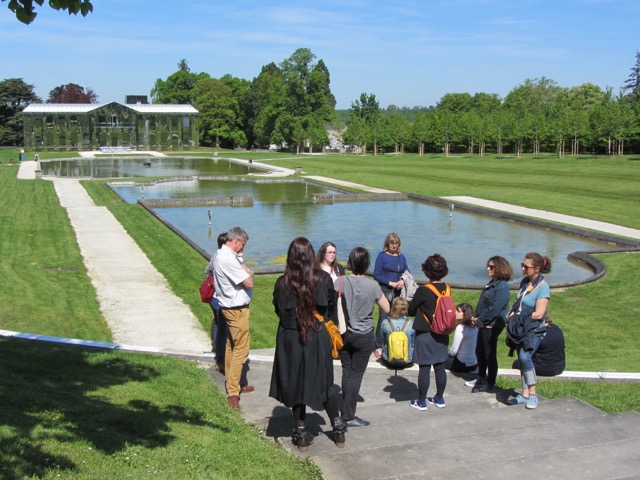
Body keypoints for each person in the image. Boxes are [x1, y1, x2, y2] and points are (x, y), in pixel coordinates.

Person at [269, 237, 346, 451]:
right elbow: (330, 308)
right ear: (311, 255)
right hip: (317, 334)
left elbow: (279, 310)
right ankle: (338, 428)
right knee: (324, 382)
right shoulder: (322, 279)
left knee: (296, 382)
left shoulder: (282, 282)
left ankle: (301, 433)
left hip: (291, 337)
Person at [336, 246, 390, 427]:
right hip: (364, 334)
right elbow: (387, 308)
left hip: (344, 333)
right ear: (367, 264)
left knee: (346, 370)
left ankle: (346, 406)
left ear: (350, 262)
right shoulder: (373, 285)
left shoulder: (341, 281)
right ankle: (348, 415)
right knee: (356, 375)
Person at [213, 226, 254, 409]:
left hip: (230, 307)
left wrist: (241, 262)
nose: (243, 248)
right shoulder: (228, 258)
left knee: (232, 346)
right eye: (243, 244)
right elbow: (249, 281)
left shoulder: (223, 255)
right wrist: (247, 272)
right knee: (241, 350)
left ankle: (233, 384)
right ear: (235, 241)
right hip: (236, 309)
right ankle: (233, 392)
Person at [508, 252, 552, 410]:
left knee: (525, 357)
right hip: (522, 329)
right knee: (522, 360)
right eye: (522, 265)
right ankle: (524, 394)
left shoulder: (543, 287)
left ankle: (533, 395)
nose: (523, 268)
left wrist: (519, 316)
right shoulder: (524, 282)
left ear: (537, 268)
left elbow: (539, 313)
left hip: (534, 330)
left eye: (526, 267)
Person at [408, 253, 452, 411]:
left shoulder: (423, 290)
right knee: (440, 366)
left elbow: (411, 311)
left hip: (425, 332)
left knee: (425, 368)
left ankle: (421, 401)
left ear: (427, 271)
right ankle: (439, 398)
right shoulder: (447, 289)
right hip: (442, 333)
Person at [465, 256, 514, 392]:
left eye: (491, 267)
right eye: (488, 266)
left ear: (499, 268)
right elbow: (484, 304)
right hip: (484, 323)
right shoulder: (492, 283)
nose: (488, 268)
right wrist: (476, 317)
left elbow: (494, 309)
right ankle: (481, 377)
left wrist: (479, 321)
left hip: (492, 325)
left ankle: (490, 382)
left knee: (489, 353)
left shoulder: (502, 286)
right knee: (480, 351)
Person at [373, 233, 408, 351]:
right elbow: (376, 274)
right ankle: (378, 344)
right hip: (385, 290)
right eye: (392, 243)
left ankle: (394, 341)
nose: (394, 246)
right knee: (384, 316)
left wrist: (402, 280)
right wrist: (390, 283)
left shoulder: (401, 257)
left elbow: (407, 271)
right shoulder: (382, 256)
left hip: (398, 291)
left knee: (398, 316)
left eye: (396, 243)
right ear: (387, 243)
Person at [205, 232, 228, 371]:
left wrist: (212, 282)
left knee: (218, 323)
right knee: (222, 328)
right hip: (219, 297)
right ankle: (220, 357)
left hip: (213, 297)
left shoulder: (215, 255)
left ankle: (215, 346)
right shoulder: (222, 257)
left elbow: (207, 271)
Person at [374, 296, 415, 365]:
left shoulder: (385, 322)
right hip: (408, 360)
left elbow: (383, 340)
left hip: (388, 359)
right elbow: (413, 343)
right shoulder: (411, 323)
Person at [445, 303, 478, 374]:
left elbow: (454, 351)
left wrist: (447, 353)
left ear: (465, 314)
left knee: (439, 356)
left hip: (461, 365)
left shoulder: (460, 328)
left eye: (458, 311)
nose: (455, 312)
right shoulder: (475, 327)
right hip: (474, 364)